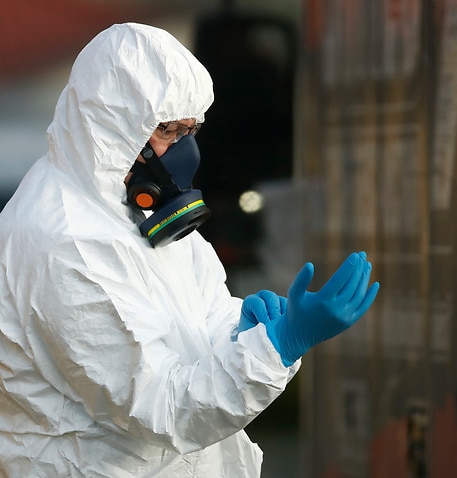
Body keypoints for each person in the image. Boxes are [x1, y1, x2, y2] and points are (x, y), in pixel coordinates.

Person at [0, 23, 380, 477]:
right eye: (168, 131)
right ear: (111, 124)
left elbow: (196, 327)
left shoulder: (132, 213)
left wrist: (241, 331)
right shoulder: (62, 243)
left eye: (190, 130)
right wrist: (278, 347)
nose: (185, 152)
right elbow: (162, 409)